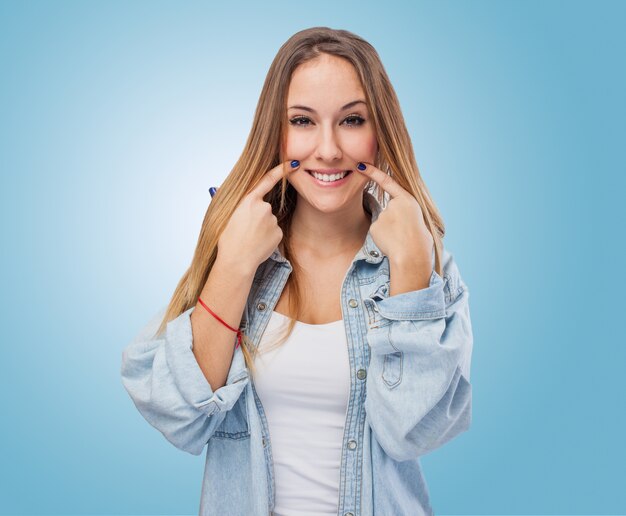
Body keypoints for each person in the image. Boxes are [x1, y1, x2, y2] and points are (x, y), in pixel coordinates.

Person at [121, 26, 473, 516]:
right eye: (303, 121)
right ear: (277, 132)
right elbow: (177, 416)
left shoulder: (429, 269)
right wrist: (235, 265)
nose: (328, 150)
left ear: (380, 132)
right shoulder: (239, 254)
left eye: (352, 120)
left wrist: (412, 270)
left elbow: (411, 432)